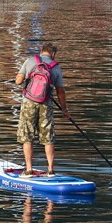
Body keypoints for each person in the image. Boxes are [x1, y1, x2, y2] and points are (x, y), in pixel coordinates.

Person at [15, 43, 70, 178]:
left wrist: (27, 79)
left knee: (27, 135)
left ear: (42, 51)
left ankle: (28, 170)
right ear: (53, 54)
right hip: (46, 103)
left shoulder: (30, 61)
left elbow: (18, 81)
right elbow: (60, 92)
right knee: (48, 136)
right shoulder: (55, 67)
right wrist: (64, 109)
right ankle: (51, 170)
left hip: (29, 102)